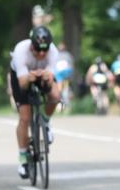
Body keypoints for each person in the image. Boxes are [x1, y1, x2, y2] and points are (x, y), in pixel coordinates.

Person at [10, 26, 61, 179]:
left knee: (55, 96)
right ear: (31, 45)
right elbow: (22, 84)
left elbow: (50, 81)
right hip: (22, 77)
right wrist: (29, 78)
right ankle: (23, 159)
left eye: (44, 51)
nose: (41, 54)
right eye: (37, 50)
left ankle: (45, 123)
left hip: (42, 74)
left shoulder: (53, 52)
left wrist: (46, 78)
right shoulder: (20, 51)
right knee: (25, 118)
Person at [54, 41, 75, 108]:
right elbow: (71, 65)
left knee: (61, 88)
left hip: (61, 74)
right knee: (64, 88)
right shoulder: (68, 55)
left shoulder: (56, 55)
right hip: (65, 73)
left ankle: (61, 102)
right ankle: (64, 102)